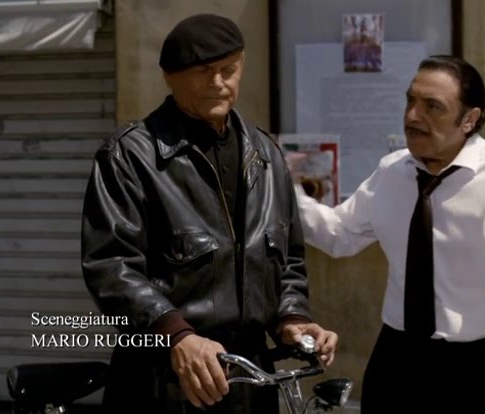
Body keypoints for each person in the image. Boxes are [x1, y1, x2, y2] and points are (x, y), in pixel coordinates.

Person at [291, 55, 485, 413]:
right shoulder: (391, 173)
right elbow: (338, 235)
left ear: (469, 119)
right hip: (398, 357)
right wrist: (282, 192)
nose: (412, 116)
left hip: (478, 365)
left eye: (432, 106)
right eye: (410, 101)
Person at [81, 13, 338, 414]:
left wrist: (292, 319)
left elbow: (288, 259)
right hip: (164, 376)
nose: (218, 82)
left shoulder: (266, 155)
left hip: (251, 379)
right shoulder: (129, 155)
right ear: (169, 76)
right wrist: (176, 335)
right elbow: (111, 266)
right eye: (203, 72)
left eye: (228, 70)